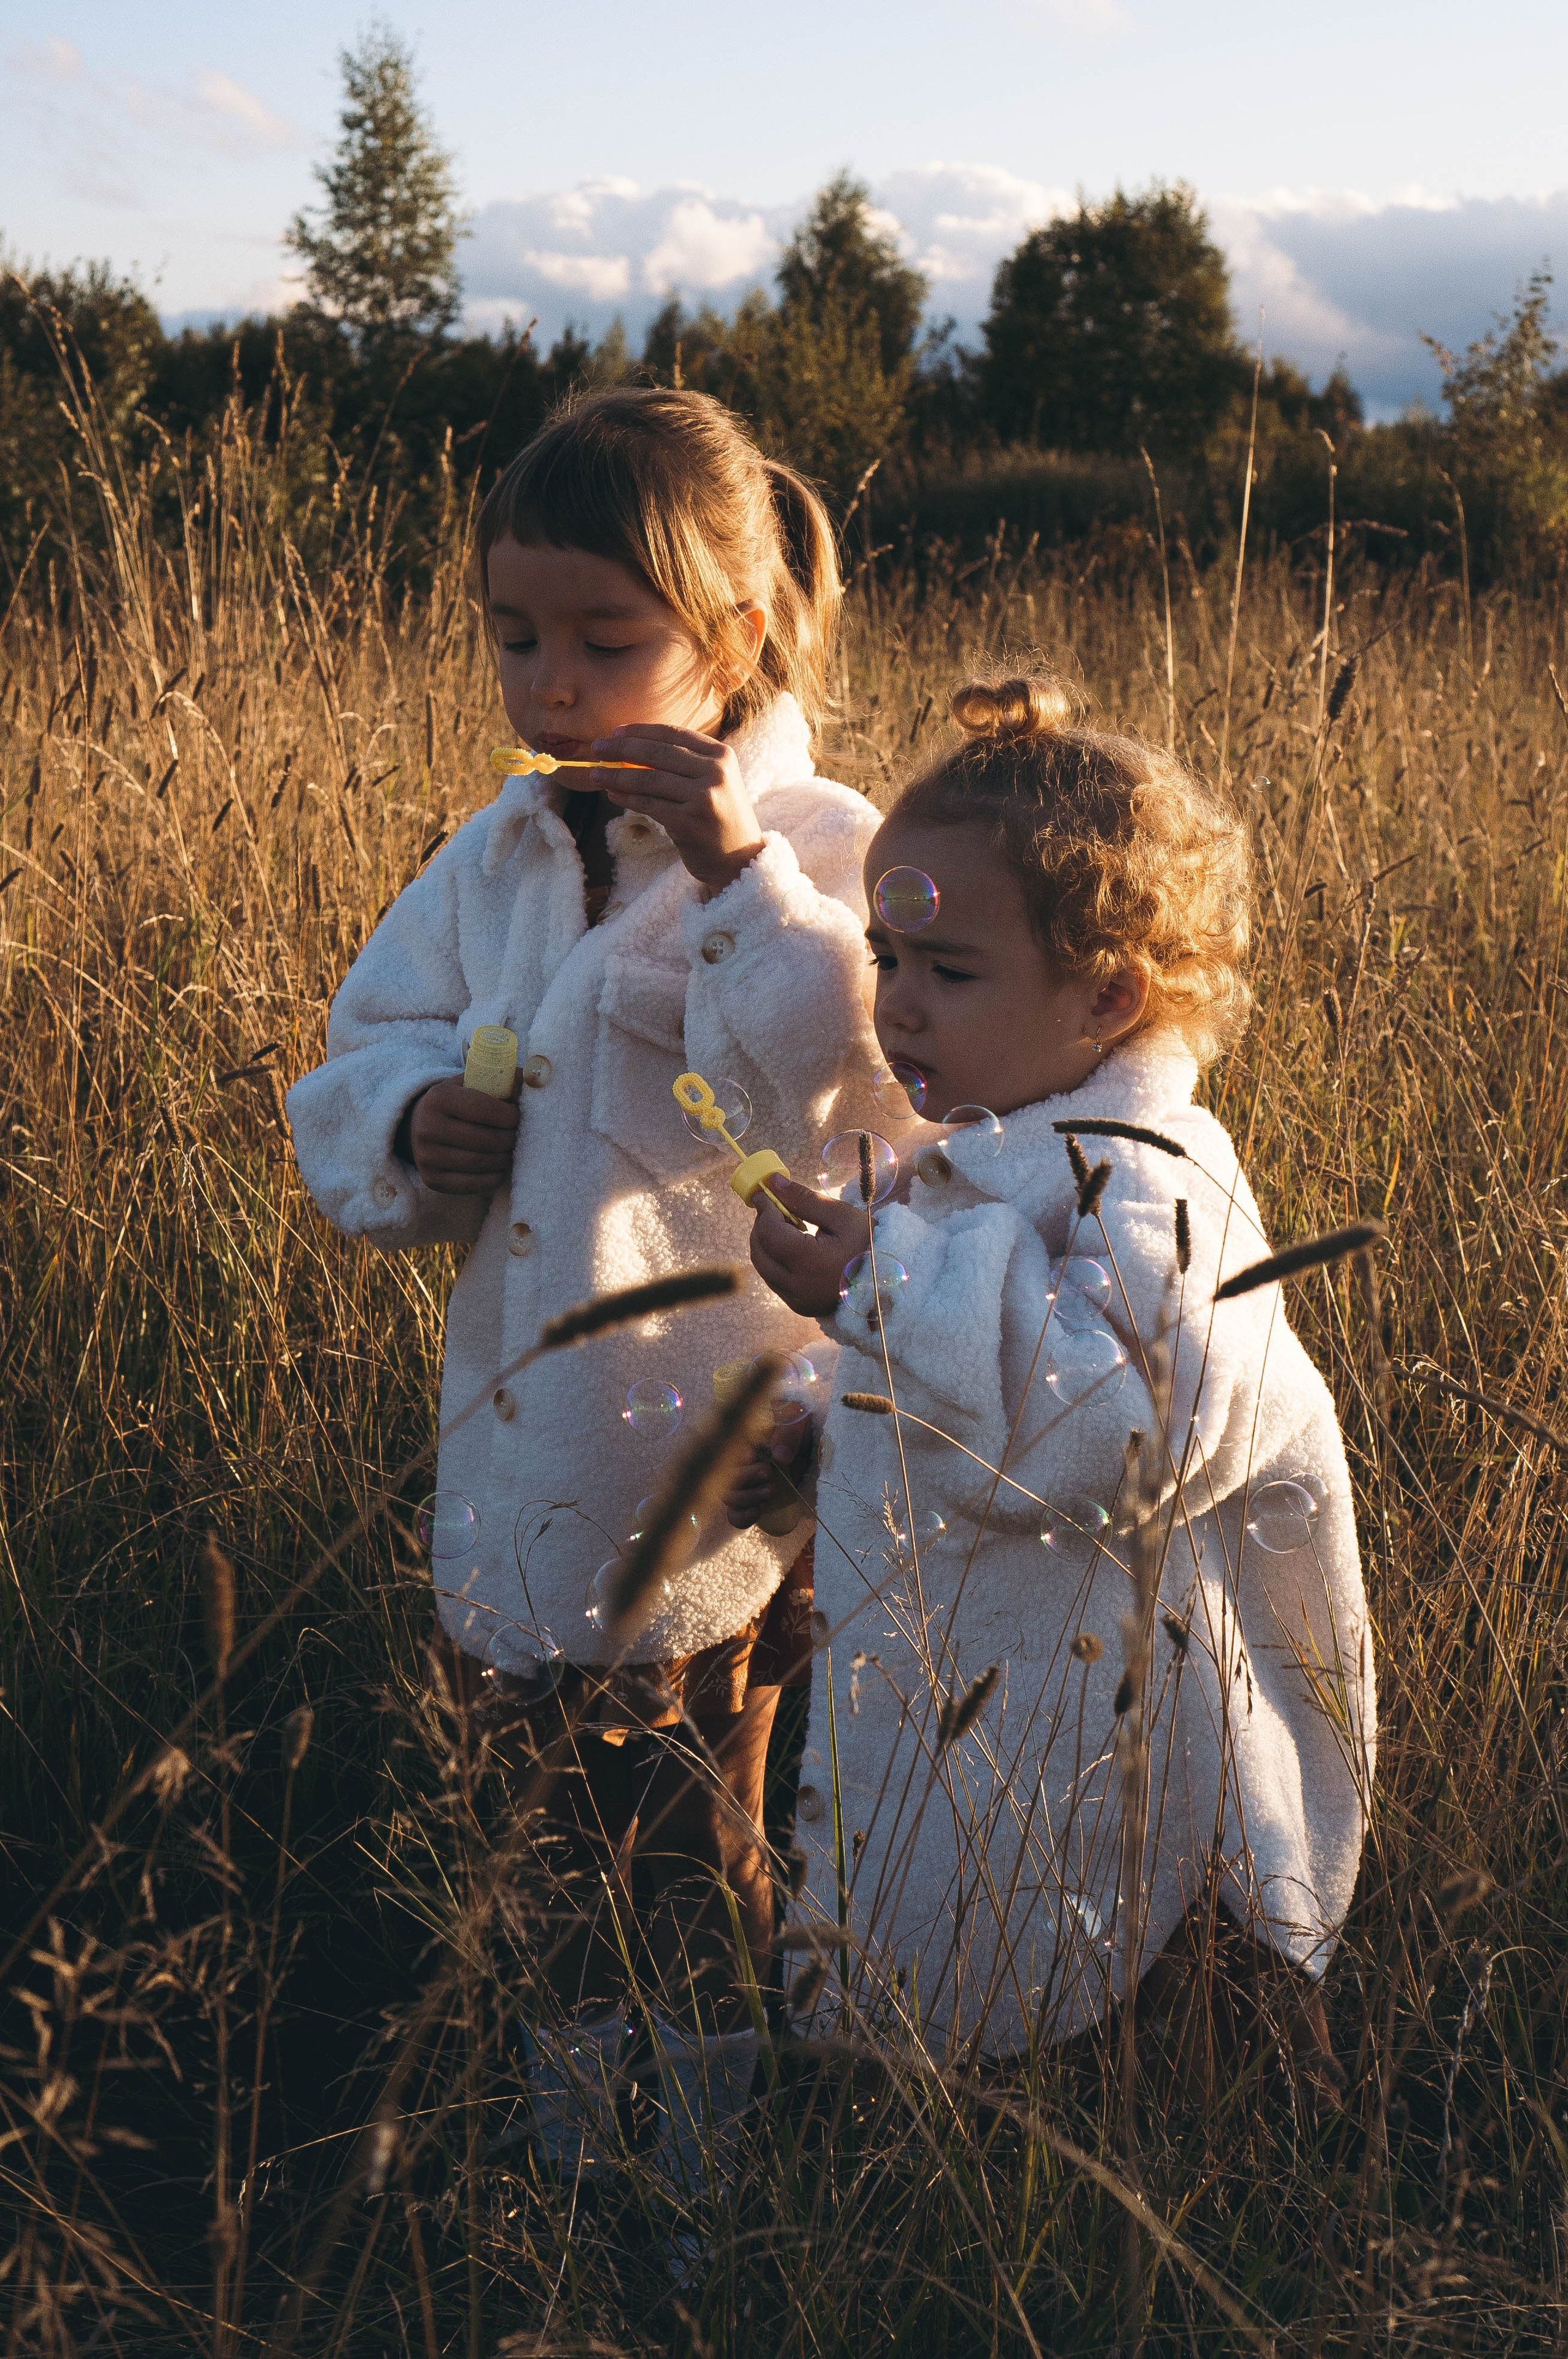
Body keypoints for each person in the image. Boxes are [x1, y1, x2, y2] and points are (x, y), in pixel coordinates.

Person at [287, 388, 883, 2169]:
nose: (551, 682)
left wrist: (733, 876)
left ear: (739, 634)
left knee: (701, 1840)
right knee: (538, 1847)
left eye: (606, 641)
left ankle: (698, 2184)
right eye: (516, 635)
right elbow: (363, 1039)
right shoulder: (503, 850)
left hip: (715, 1470)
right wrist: (408, 1129)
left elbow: (859, 1093)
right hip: (523, 1450)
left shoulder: (827, 846)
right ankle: (570, 2162)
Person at [736, 673, 1374, 2091]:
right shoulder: (971, 1151)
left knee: (1133, 2063)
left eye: (946, 974)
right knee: (946, 1969)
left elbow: (1129, 1423)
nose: (895, 1011)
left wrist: (877, 1290)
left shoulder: (1155, 1185)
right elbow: (941, 1393)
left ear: (1107, 993)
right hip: (972, 1724)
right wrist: (808, 1433)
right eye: (885, 962)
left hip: (1123, 1779)